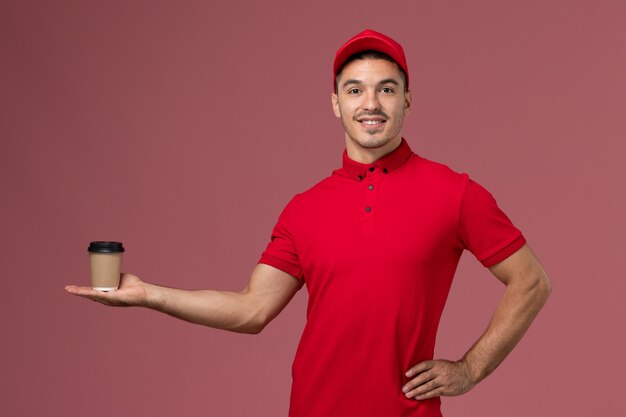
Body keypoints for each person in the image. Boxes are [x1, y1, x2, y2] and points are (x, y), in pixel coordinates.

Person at [66, 29, 551, 417]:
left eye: (387, 89)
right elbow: (251, 310)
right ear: (336, 103)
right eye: (355, 90)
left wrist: (470, 369)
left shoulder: (455, 192)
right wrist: (149, 294)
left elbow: (531, 282)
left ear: (407, 100)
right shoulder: (304, 209)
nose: (371, 104)